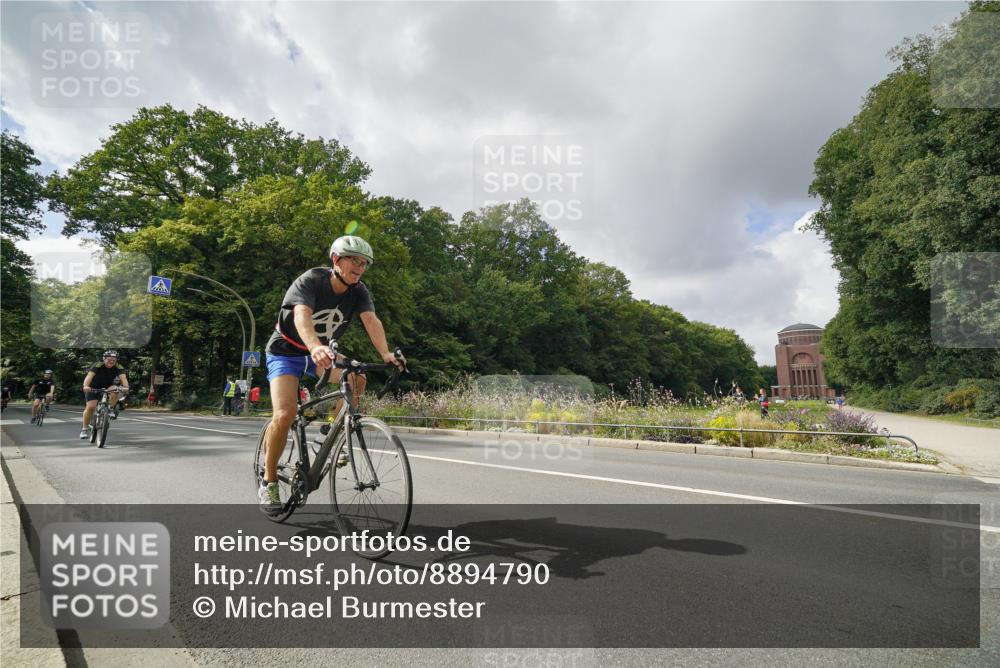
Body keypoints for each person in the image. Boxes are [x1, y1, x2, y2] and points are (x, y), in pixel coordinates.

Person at [259, 235, 404, 515]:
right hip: (286, 351)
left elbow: (371, 320)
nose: (360, 268)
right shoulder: (311, 281)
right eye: (354, 261)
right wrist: (314, 347)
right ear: (336, 259)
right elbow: (301, 315)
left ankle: (327, 433)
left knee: (357, 377)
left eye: (364, 263)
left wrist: (386, 353)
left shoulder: (359, 291)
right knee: (285, 414)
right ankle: (270, 481)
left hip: (322, 353)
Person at [80, 351, 129, 439]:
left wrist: (126, 387)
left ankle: (110, 408)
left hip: (109, 386)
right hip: (93, 387)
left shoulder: (119, 367)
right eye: (109, 359)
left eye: (114, 360)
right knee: (91, 407)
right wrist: (86, 386)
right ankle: (84, 429)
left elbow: (123, 378)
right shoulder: (98, 365)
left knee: (116, 389)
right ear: (104, 359)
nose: (111, 361)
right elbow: (89, 376)